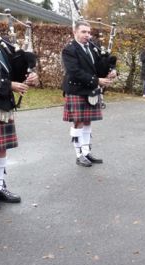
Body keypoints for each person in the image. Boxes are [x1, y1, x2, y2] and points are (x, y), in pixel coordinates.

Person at [0, 3, 39, 210]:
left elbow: (11, 69)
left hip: (3, 102)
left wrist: (28, 75)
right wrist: (9, 85)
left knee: (2, 148)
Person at [62, 20, 116, 167]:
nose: (87, 35)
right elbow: (75, 72)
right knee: (78, 122)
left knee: (87, 122)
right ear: (75, 32)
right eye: (83, 32)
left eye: (89, 32)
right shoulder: (69, 49)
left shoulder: (93, 48)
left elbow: (99, 67)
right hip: (77, 90)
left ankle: (86, 152)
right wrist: (97, 80)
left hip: (90, 90)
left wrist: (110, 71)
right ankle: (79, 155)